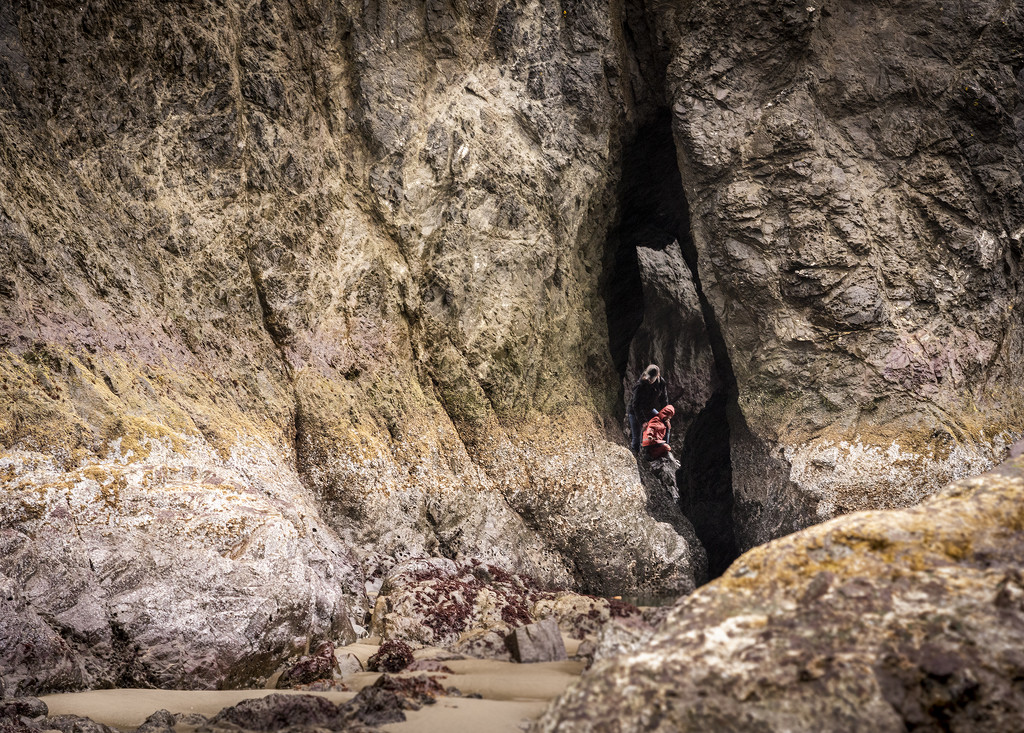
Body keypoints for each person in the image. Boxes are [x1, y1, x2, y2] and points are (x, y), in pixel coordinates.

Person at [628, 364, 668, 452]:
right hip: (635, 412)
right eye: (648, 377)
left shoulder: (661, 383)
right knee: (636, 439)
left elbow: (664, 400)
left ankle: (663, 448)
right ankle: (635, 456)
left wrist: (666, 415)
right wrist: (642, 421)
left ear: (657, 376)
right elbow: (635, 405)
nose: (649, 380)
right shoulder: (640, 385)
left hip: (649, 410)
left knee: (664, 423)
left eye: (652, 378)